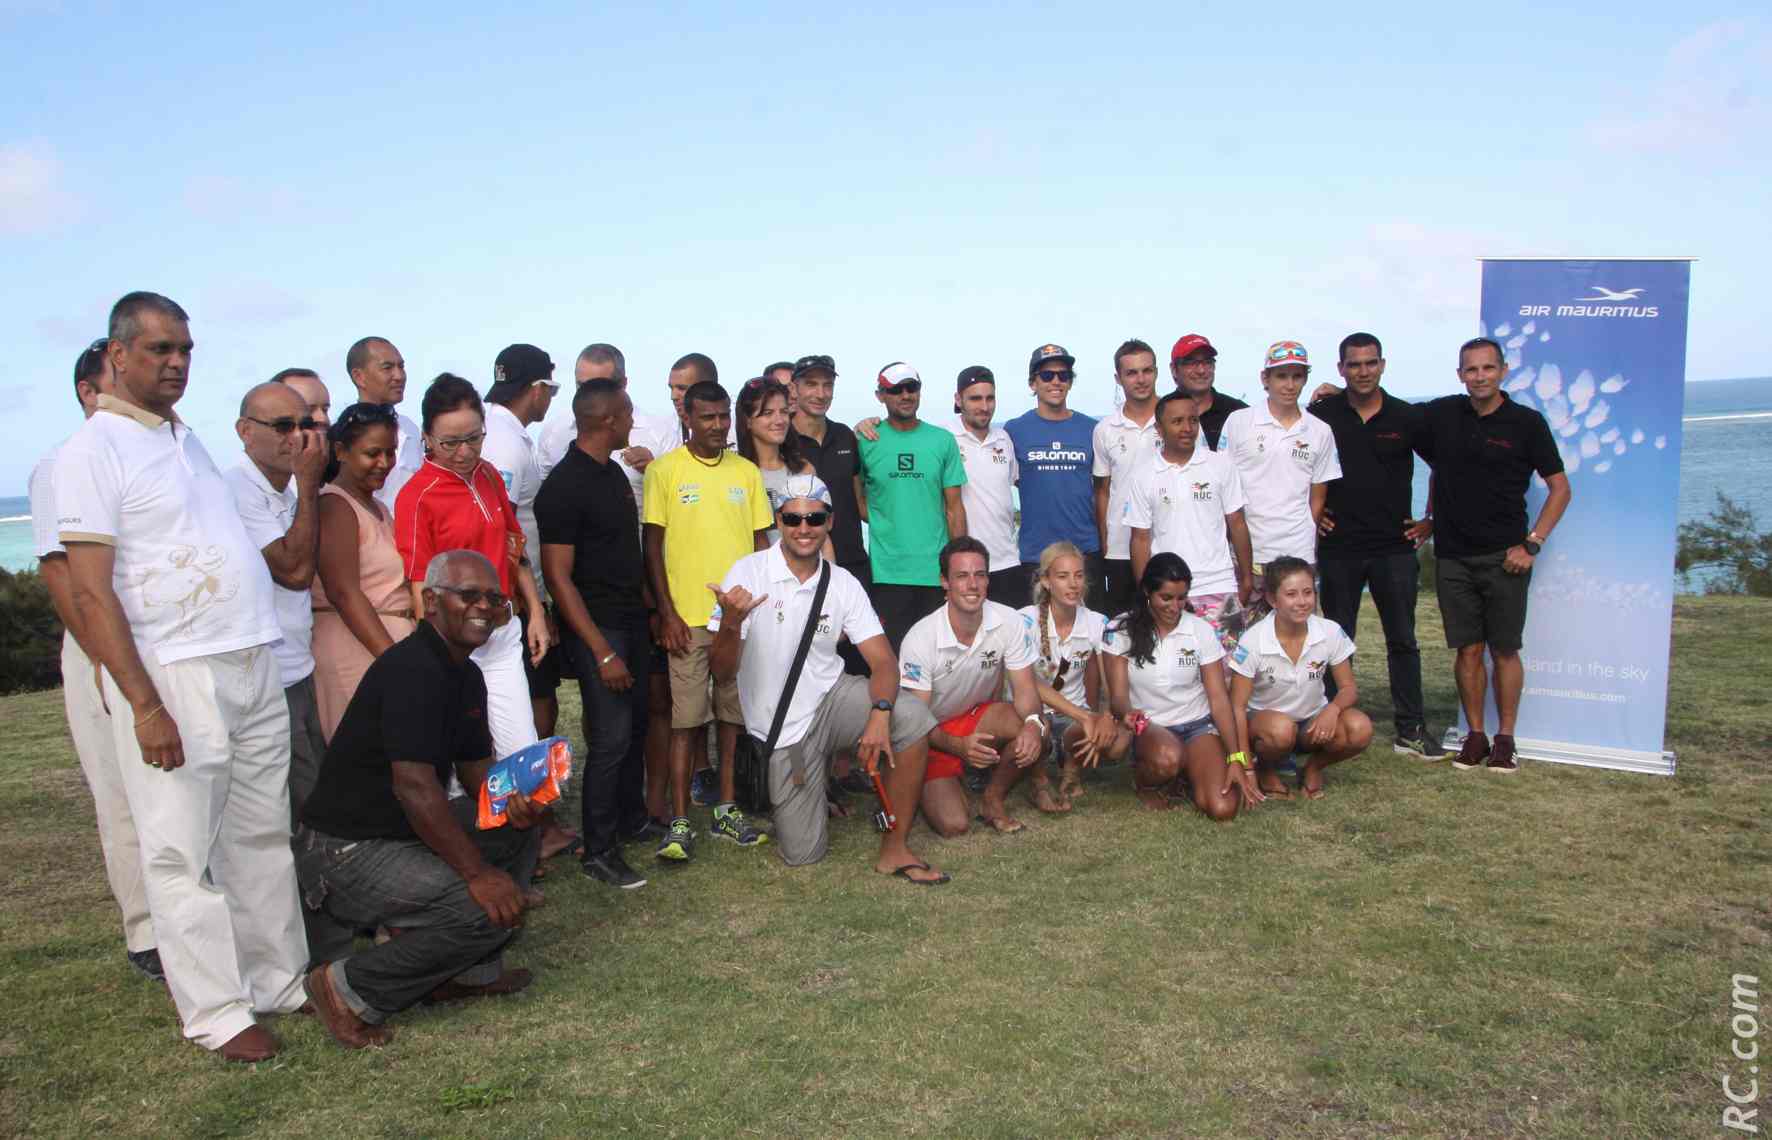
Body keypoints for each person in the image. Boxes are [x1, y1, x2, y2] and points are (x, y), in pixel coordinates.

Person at [55, 292, 308, 1062]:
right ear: (117, 354)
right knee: (177, 851)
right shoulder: (89, 454)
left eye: (185, 350)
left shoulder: (185, 441)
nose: (175, 364)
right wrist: (141, 702)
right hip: (174, 673)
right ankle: (217, 1011)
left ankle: (276, 979)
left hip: (249, 657)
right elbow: (91, 592)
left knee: (260, 832)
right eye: (160, 349)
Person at [295, 550, 542, 1050]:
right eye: (468, 595)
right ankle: (344, 988)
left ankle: (466, 975)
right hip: (347, 848)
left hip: (397, 832)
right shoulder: (413, 670)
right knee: (481, 910)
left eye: (493, 598)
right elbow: (415, 787)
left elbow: (474, 770)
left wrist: (509, 800)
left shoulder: (464, 673)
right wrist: (478, 875)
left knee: (518, 829)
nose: (484, 607)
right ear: (430, 602)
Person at [709, 475, 949, 883]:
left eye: (814, 518)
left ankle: (895, 846)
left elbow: (885, 663)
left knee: (911, 719)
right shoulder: (747, 573)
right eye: (793, 518)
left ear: (830, 522)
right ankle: (815, 787)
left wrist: (880, 713)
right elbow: (722, 673)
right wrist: (731, 623)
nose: (804, 528)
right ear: (778, 521)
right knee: (803, 854)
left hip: (832, 697)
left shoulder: (842, 583)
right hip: (784, 728)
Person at [29, 338, 159, 981]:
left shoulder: (151, 455)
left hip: (158, 642)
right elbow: (62, 574)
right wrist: (107, 661)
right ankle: (146, 930)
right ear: (89, 390)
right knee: (121, 788)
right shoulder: (64, 464)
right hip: (103, 648)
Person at [1413, 337, 1572, 774]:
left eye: (1487, 368)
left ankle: (1505, 740)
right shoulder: (1445, 415)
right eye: (1471, 369)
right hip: (1452, 557)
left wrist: (1532, 543)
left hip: (1506, 557)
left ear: (1503, 371)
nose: (1479, 376)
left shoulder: (1526, 423)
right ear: (1460, 374)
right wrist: (1335, 393)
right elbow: (1401, 426)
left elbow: (1560, 488)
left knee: (1504, 650)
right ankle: (1476, 736)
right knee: (1467, 650)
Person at [642, 378, 773, 860]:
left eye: (724, 416)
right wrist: (666, 612)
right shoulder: (664, 471)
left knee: (731, 719)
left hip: (738, 620)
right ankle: (679, 821)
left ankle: (726, 809)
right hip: (689, 621)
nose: (718, 426)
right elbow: (652, 547)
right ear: (687, 418)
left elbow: (763, 546)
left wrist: (765, 607)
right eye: (707, 417)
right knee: (686, 722)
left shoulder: (747, 473)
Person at [537, 379, 657, 890]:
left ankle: (630, 820)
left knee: (633, 731)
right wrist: (602, 651)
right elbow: (558, 578)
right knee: (608, 739)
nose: (633, 420)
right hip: (599, 627)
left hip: (632, 618)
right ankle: (599, 850)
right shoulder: (564, 485)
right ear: (608, 419)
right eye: (628, 412)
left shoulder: (612, 473)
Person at [395, 375, 552, 766]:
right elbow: (420, 584)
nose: (464, 452)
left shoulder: (489, 475)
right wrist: (437, 657)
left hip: (502, 630)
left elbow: (514, 548)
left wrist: (534, 613)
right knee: (461, 752)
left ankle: (530, 823)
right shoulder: (417, 496)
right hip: (455, 642)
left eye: (474, 438)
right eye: (450, 442)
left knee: (521, 743)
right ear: (427, 438)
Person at [1306, 333, 1444, 759]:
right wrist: (1313, 512)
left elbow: (1444, 466)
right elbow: (1293, 460)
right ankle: (1330, 721)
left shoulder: (1407, 416)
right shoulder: (1323, 413)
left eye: (1370, 363)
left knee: (1402, 639)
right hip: (1339, 548)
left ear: (1382, 365)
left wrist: (1430, 520)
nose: (1362, 371)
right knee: (1334, 639)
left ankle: (1411, 729)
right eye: (1354, 364)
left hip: (1393, 548)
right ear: (1341, 367)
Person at [226, 381, 328, 818]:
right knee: (294, 803)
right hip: (269, 673)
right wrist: (309, 485)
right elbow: (295, 572)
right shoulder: (237, 489)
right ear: (245, 431)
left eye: (305, 425)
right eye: (283, 426)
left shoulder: (284, 490)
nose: (298, 437)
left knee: (314, 791)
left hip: (296, 663)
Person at [897, 537, 1047, 836]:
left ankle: (993, 797)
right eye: (962, 576)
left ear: (988, 579)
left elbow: (1027, 692)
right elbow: (915, 722)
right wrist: (958, 747)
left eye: (980, 575)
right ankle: (958, 775)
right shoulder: (920, 637)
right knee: (954, 825)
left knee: (1033, 727)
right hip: (930, 732)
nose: (972, 584)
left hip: (976, 717)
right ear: (944, 582)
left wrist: (1033, 725)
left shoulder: (1009, 620)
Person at [1103, 553, 1257, 817]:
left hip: (1197, 725)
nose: (1175, 606)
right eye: (1166, 597)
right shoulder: (1119, 629)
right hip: (1148, 725)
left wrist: (1236, 758)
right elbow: (1117, 696)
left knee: (1223, 809)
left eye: (1182, 597)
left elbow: (1219, 700)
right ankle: (1146, 783)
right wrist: (1129, 715)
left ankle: (1186, 775)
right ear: (1147, 592)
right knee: (1168, 757)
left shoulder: (1200, 630)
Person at [1226, 558, 1373, 799]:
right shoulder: (1254, 640)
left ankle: (1313, 768)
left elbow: (1348, 689)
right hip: (1266, 728)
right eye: (1291, 594)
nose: (1302, 602)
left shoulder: (1330, 631)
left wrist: (1332, 709)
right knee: (1281, 730)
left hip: (1311, 724)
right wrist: (1247, 768)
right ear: (1273, 599)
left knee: (1360, 728)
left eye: (1308, 592)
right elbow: (1237, 707)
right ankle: (1265, 768)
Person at [311, 403, 417, 739]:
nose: (384, 463)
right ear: (340, 451)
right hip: (357, 649)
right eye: (372, 453)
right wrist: (393, 661)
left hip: (386, 646)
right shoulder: (336, 505)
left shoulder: (378, 506)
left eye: (391, 452)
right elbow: (343, 592)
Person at [1124, 391, 1256, 652]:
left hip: (1219, 584)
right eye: (1177, 422)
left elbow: (1237, 523)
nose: (1187, 428)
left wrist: (1247, 577)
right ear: (1159, 429)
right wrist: (1146, 591)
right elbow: (1140, 539)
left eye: (1193, 421)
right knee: (1177, 668)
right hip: (1168, 592)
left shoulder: (1220, 466)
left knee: (1228, 669)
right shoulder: (1143, 476)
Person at [1218, 341, 1342, 610]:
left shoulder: (1320, 431)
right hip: (1248, 551)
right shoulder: (1239, 422)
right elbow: (1223, 488)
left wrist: (1307, 537)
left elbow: (1317, 498)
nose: (1289, 384)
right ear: (1266, 378)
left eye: (1297, 376)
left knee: (1296, 636)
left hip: (1298, 551)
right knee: (1244, 638)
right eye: (1281, 376)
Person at [480, 344, 563, 738]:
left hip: (514, 591)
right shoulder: (507, 443)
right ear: (537, 389)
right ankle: (535, 793)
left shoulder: (499, 430)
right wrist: (530, 606)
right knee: (536, 699)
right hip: (511, 595)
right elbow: (500, 529)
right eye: (553, 389)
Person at [857, 362, 968, 649]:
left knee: (939, 656)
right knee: (893, 656)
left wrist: (959, 569)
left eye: (912, 387)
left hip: (934, 572)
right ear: (880, 395)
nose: (905, 395)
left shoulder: (941, 440)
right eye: (895, 390)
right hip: (887, 574)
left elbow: (954, 508)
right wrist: (887, 523)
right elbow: (856, 500)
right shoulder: (865, 440)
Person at [1021, 541, 1130, 808]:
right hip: (1031, 712)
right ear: (1046, 581)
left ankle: (1071, 769)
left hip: (1076, 718)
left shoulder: (1097, 621)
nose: (1073, 584)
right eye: (1062, 576)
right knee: (1039, 724)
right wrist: (1087, 716)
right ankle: (1039, 780)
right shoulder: (1023, 621)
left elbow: (1109, 683)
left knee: (1117, 742)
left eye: (1079, 576)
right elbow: (1028, 684)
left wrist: (1105, 716)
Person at [1004, 344, 1102, 609]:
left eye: (1063, 375)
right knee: (1036, 635)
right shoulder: (1013, 430)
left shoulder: (1093, 429)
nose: (1056, 381)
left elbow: (1105, 487)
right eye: (1047, 376)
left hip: (1084, 551)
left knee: (1088, 635)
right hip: (1035, 554)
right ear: (1032, 383)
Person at [790, 355, 870, 597]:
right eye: (811, 384)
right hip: (801, 566)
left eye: (828, 385)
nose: (821, 393)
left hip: (852, 562)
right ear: (794, 388)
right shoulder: (783, 440)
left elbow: (859, 501)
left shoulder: (845, 435)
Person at [1093, 339, 1162, 614]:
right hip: (1120, 548)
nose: (1141, 379)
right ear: (1118, 378)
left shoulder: (1177, 418)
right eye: (1131, 373)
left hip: (1169, 540)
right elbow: (1102, 490)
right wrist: (1104, 542)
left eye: (1147, 370)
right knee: (1125, 629)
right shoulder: (1105, 429)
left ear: (1156, 372)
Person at [945, 366, 1023, 607]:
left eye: (990, 398)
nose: (984, 406)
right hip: (969, 567)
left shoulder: (1003, 439)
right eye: (975, 398)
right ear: (959, 399)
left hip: (1008, 560)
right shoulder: (944, 438)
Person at [736, 376, 818, 546]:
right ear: (748, 420)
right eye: (768, 413)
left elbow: (820, 536)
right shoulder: (735, 474)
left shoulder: (804, 470)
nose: (779, 420)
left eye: (784, 412)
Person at [345, 336, 422, 510]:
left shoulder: (410, 429)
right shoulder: (344, 433)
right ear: (359, 377)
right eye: (387, 368)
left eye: (401, 366)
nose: (399, 376)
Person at [1169, 333, 1246, 450]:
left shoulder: (1239, 413)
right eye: (1192, 363)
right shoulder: (1161, 414)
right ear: (1174, 369)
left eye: (1207, 362)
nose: (1201, 370)